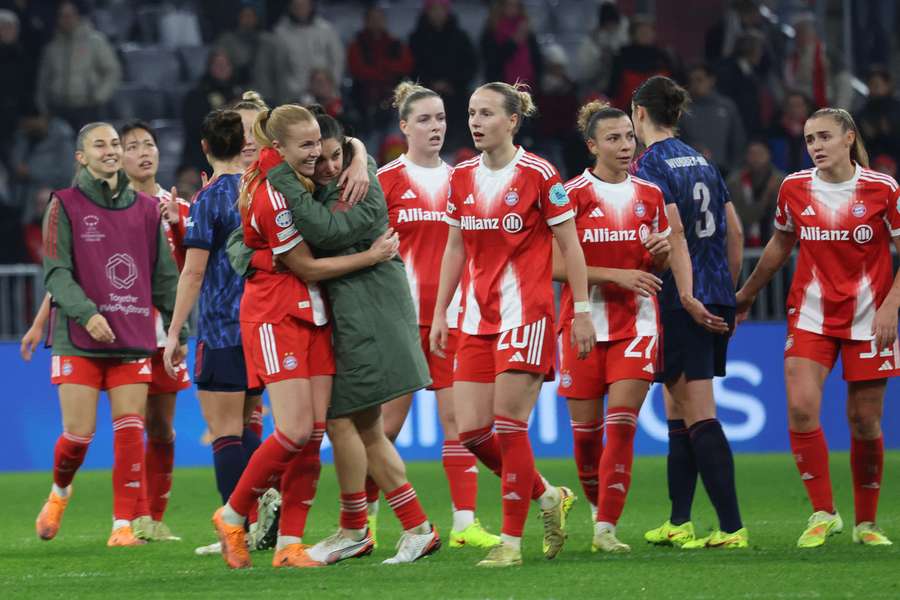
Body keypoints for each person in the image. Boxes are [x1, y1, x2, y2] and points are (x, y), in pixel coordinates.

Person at [226, 103, 440, 566]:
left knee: (351, 424)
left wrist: (290, 169)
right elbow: (240, 242)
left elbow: (324, 232)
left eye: (334, 155)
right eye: (315, 154)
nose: (325, 165)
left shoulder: (357, 187)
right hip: (343, 317)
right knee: (356, 425)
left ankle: (369, 528)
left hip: (367, 316)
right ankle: (387, 527)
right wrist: (262, 255)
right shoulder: (317, 183)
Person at [430, 81, 593, 567]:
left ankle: (511, 543)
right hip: (475, 317)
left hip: (527, 316)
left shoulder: (540, 174)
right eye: (471, 113)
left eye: (486, 113)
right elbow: (454, 247)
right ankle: (547, 494)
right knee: (471, 432)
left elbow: (571, 247)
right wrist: (440, 311)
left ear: (513, 121)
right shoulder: (462, 176)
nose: (475, 122)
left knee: (508, 425)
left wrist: (582, 310)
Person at [735, 108, 898, 548]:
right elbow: (779, 243)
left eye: (825, 136)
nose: (816, 146)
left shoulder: (883, 189)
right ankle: (824, 512)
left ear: (849, 138)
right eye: (809, 140)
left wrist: (891, 307)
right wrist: (747, 293)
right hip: (810, 315)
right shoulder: (794, 187)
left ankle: (867, 523)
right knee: (802, 408)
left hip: (870, 319)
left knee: (864, 421)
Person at [35, 122, 186, 546]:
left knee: (131, 428)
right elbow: (56, 272)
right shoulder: (64, 205)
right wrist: (86, 314)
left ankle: (122, 526)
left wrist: (178, 330)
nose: (110, 150)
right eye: (99, 145)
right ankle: (60, 491)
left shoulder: (146, 209)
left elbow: (164, 277)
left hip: (131, 334)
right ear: (81, 157)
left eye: (114, 143)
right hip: (78, 337)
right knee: (78, 436)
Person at [371, 82, 499, 549]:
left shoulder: (464, 179)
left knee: (457, 422)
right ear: (404, 126)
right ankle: (364, 522)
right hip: (399, 321)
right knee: (385, 428)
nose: (435, 127)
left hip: (453, 317)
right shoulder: (383, 180)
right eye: (424, 119)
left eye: (441, 118)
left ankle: (464, 524)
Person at [629, 76, 748, 549]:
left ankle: (732, 528)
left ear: (639, 113)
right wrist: (726, 293)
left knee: (698, 411)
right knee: (676, 408)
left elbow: (671, 233)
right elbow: (735, 231)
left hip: (682, 300)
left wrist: (688, 294)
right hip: (712, 293)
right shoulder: (702, 160)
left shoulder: (648, 165)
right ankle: (680, 520)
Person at [555, 101, 671, 553]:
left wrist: (661, 254)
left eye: (628, 136)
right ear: (592, 146)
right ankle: (594, 509)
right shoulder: (571, 195)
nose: (625, 146)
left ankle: (606, 528)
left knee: (621, 424)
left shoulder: (650, 195)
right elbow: (554, 265)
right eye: (613, 139)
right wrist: (616, 275)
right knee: (587, 440)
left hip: (637, 323)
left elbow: (655, 264)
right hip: (583, 324)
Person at [161, 110, 263, 555]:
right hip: (261, 326)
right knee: (249, 426)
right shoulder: (261, 190)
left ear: (204, 147)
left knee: (224, 433)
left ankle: (236, 529)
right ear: (244, 143)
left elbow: (194, 272)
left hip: (221, 329)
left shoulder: (209, 198)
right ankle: (261, 521)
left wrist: (173, 332)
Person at [119, 120, 192, 542]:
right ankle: (134, 516)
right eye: (132, 146)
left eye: (148, 144)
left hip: (167, 330)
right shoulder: (111, 207)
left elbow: (193, 268)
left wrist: (178, 226)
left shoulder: (176, 205)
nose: (143, 152)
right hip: (126, 326)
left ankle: (156, 518)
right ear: (119, 157)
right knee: (132, 422)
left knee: (161, 426)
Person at [34, 2, 121, 131]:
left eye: (70, 15)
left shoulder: (95, 42)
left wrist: (99, 96)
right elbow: (43, 80)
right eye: (62, 16)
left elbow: (112, 71)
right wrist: (43, 107)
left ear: (78, 16)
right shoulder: (52, 46)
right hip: (58, 109)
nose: (66, 20)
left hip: (87, 109)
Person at [408, 0, 478, 150]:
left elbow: (470, 66)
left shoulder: (460, 37)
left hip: (456, 92)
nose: (437, 13)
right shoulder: (416, 38)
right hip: (425, 92)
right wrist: (431, 84)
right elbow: (412, 68)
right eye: (434, 9)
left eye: (441, 9)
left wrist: (452, 83)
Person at [347, 5, 413, 135]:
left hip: (393, 96)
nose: (376, 22)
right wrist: (384, 71)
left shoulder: (395, 43)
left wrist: (384, 68)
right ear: (366, 21)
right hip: (364, 97)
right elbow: (357, 69)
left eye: (379, 18)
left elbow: (407, 65)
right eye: (372, 19)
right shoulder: (357, 45)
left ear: (384, 21)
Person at [269, 0, 344, 104]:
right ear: (290, 7)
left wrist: (332, 85)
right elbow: (279, 68)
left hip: (326, 93)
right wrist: (292, 89)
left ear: (311, 6)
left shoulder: (326, 29)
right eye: (297, 5)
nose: (301, 9)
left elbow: (337, 60)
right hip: (295, 95)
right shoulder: (280, 33)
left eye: (304, 5)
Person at [678, 63, 746, 176]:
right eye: (691, 81)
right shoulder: (683, 110)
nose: (695, 84)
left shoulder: (727, 106)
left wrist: (734, 170)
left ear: (711, 80)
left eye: (699, 80)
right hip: (692, 172)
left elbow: (738, 141)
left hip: (723, 172)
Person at [726, 140, 784, 247]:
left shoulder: (781, 181)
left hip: (775, 241)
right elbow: (742, 218)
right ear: (746, 156)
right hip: (743, 240)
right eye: (752, 154)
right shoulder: (735, 182)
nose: (756, 158)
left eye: (760, 153)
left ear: (769, 155)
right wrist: (766, 195)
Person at [480, 0, 542, 90]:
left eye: (516, 6)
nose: (513, 9)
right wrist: (514, 42)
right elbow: (492, 60)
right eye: (509, 5)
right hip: (500, 86)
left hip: (527, 85)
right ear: (501, 6)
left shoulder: (525, 28)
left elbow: (536, 59)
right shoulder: (492, 29)